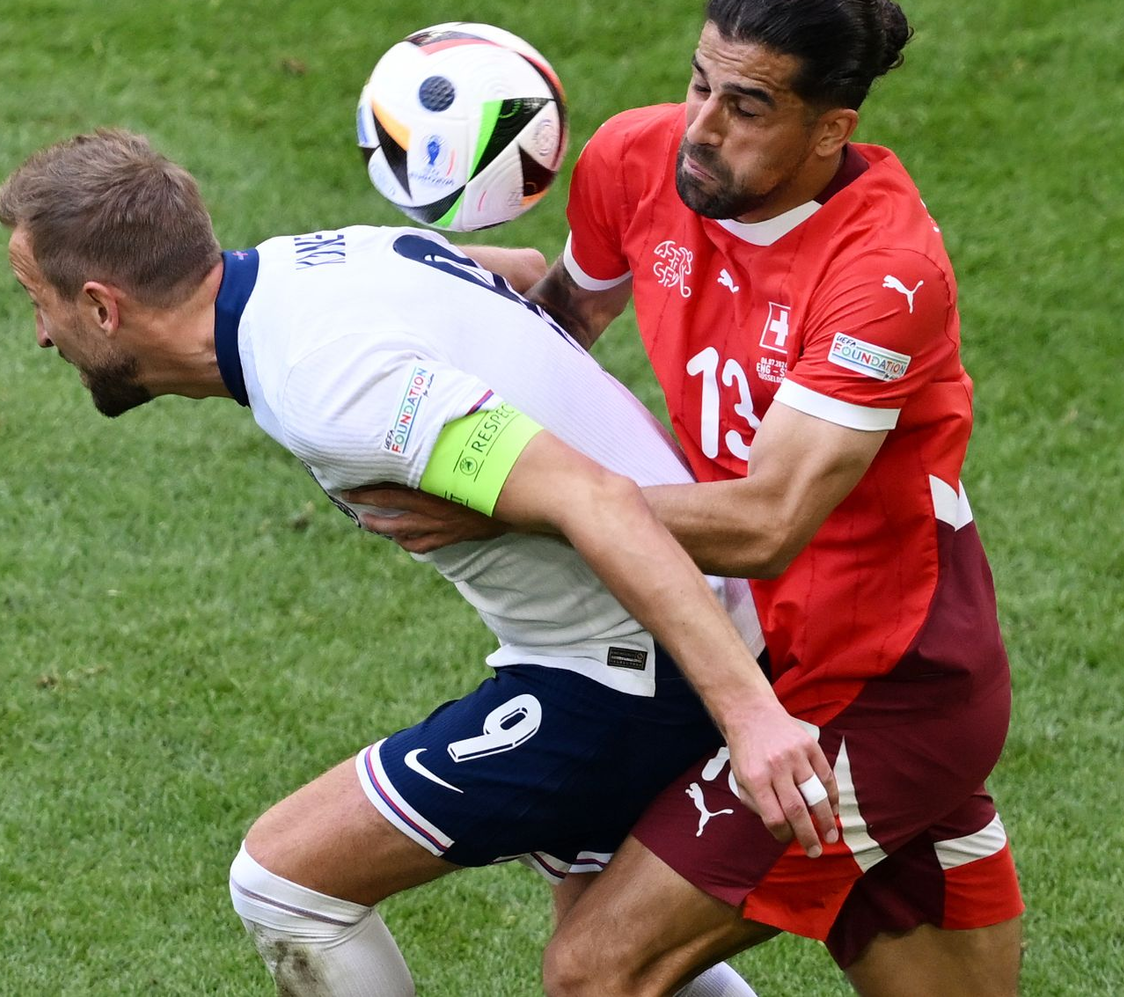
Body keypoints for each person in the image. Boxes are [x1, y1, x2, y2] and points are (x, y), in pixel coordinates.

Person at [0, 129, 837, 997]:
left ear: (101, 307)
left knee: (283, 882)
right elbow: (510, 267)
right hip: (653, 628)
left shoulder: (329, 384)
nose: (38, 336)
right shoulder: (318, 260)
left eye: (39, 301)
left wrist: (753, 717)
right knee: (611, 959)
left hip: (633, 669)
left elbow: (599, 500)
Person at [357, 0, 1025, 996]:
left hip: (883, 684)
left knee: (597, 968)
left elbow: (768, 523)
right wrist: (423, 283)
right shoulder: (636, 162)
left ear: (830, 128)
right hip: (754, 649)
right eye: (699, 82)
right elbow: (565, 326)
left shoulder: (883, 274)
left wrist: (515, 507)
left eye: (747, 105)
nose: (702, 126)